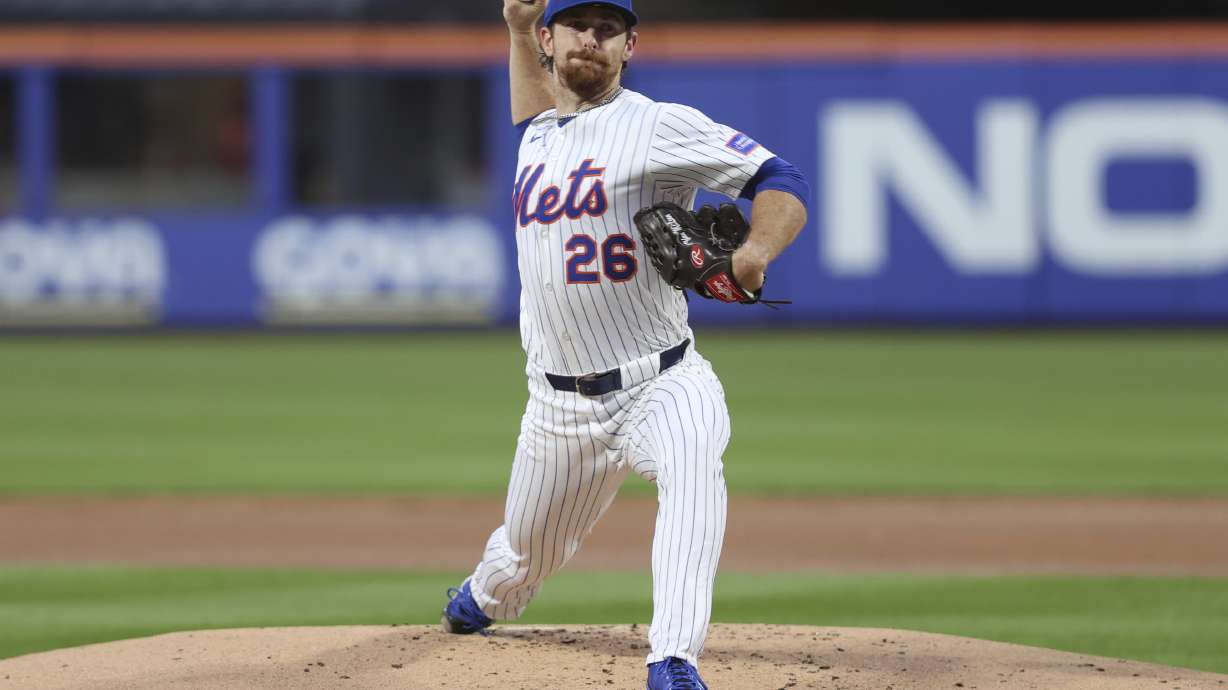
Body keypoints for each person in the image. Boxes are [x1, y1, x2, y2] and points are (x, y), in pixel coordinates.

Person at [442, 1, 809, 687]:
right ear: (551, 40)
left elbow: (781, 178)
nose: (593, 37)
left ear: (630, 45)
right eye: (577, 24)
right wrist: (517, 31)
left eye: (608, 28)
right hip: (558, 408)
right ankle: (484, 595)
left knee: (694, 468)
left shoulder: (658, 125)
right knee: (525, 557)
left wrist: (756, 251)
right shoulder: (540, 134)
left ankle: (673, 660)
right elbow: (534, 114)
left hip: (662, 380)